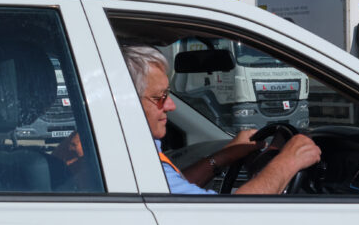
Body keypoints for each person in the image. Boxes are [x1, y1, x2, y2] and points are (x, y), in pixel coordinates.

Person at [121, 45, 321, 194]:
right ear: (125, 102)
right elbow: (225, 218)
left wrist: (226, 155)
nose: (171, 106)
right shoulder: (130, 160)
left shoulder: (131, 151)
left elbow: (175, 191)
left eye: (169, 94)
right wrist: (287, 163)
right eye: (160, 97)